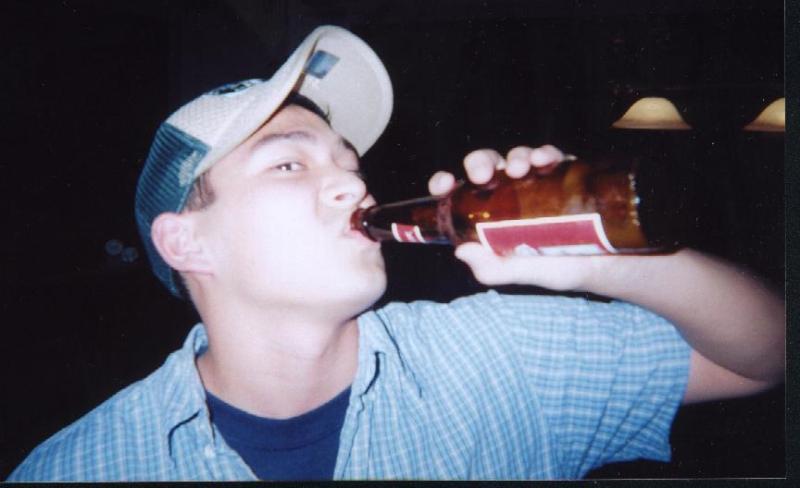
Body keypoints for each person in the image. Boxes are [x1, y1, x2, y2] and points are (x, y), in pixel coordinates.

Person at [8, 25, 784, 481]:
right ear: (186, 241)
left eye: (347, 159)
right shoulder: (81, 468)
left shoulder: (491, 355)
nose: (352, 182)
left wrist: (597, 258)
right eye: (289, 164)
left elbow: (764, 358)